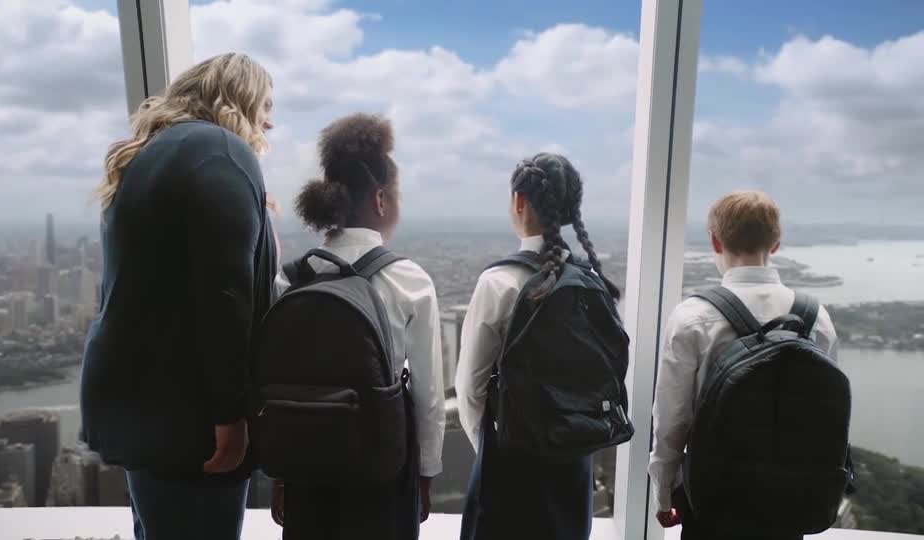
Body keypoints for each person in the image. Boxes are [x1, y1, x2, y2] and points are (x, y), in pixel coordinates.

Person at [81, 53, 278, 540]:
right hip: (189, 415)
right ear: (239, 98)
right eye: (265, 106)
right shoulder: (223, 152)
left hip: (136, 405)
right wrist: (229, 413)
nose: (269, 122)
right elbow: (226, 295)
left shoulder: (144, 156)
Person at [269, 113, 445, 540]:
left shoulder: (290, 280)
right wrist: (425, 472)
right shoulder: (409, 281)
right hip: (383, 467)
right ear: (381, 199)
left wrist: (280, 474)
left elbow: (273, 382)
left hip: (306, 464)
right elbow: (428, 395)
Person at [649, 191, 839, 540]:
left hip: (713, 496)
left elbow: (672, 419)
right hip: (790, 500)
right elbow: (826, 417)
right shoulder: (816, 319)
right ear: (776, 244)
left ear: (714, 241)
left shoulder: (693, 317)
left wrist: (664, 492)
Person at [457, 153, 623, 540]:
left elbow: (470, 389)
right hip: (574, 462)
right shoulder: (590, 280)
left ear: (519, 201)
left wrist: (491, 443)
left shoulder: (499, 282)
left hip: (510, 463)